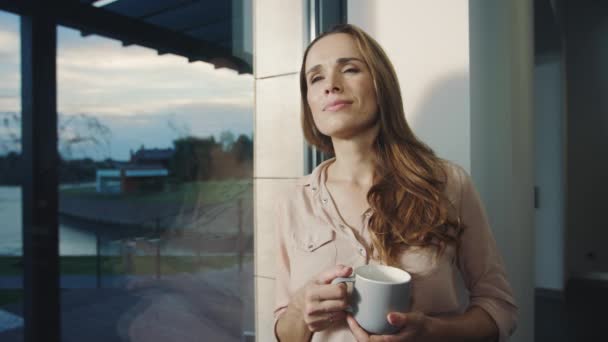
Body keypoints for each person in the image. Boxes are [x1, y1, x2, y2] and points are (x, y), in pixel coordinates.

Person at [273, 24, 517, 342]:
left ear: (380, 84)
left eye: (349, 69)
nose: (330, 86)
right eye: (315, 78)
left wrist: (431, 331)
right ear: (309, 102)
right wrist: (298, 311)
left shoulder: (449, 184)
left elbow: (500, 308)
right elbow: (283, 331)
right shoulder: (292, 201)